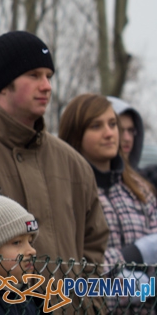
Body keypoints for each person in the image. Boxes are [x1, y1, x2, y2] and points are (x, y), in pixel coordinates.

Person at [0, 31, 108, 275]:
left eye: (49, 76)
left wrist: (87, 301)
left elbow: (94, 243)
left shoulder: (74, 164)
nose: (47, 86)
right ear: (4, 84)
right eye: (34, 75)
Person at [59, 94, 157, 266]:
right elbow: (69, 263)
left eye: (113, 124)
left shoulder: (139, 189)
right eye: (96, 126)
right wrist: (129, 257)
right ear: (76, 134)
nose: (109, 133)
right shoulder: (66, 193)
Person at [108, 96, 157, 190]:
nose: (127, 138)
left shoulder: (146, 181)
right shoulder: (88, 183)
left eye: (131, 130)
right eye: (120, 130)